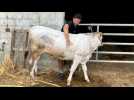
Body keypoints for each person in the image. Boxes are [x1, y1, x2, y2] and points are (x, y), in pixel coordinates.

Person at [57, 13, 82, 80]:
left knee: (72, 58)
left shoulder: (77, 27)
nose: (77, 21)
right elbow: (65, 28)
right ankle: (60, 73)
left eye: (78, 20)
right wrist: (68, 40)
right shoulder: (69, 23)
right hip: (62, 44)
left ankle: (70, 71)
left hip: (71, 46)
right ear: (73, 19)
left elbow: (78, 37)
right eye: (76, 19)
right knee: (61, 57)